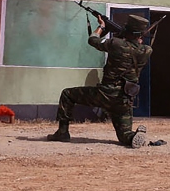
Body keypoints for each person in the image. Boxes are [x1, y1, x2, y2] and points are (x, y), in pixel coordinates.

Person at [47, 13, 151, 148]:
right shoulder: (147, 50)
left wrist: (101, 26)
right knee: (123, 135)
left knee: (67, 94)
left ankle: (62, 132)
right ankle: (132, 137)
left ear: (127, 30)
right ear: (140, 35)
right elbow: (131, 47)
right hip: (124, 99)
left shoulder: (115, 43)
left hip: (105, 94)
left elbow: (93, 40)